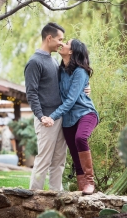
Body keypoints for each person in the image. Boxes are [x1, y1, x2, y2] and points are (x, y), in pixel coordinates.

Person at [24, 22, 90, 191]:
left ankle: (57, 194)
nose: (62, 43)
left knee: (59, 160)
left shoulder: (54, 61)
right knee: (44, 159)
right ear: (49, 38)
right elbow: (31, 94)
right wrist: (41, 117)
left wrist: (85, 88)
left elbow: (71, 81)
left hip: (61, 117)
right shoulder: (34, 62)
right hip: (46, 118)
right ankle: (34, 194)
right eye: (60, 39)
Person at [41, 39, 100, 195]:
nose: (62, 44)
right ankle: (83, 187)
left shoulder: (80, 72)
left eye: (66, 43)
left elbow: (71, 100)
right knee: (74, 152)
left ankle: (89, 182)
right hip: (68, 119)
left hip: (86, 113)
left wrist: (52, 117)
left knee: (80, 138)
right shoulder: (60, 71)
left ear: (72, 51)